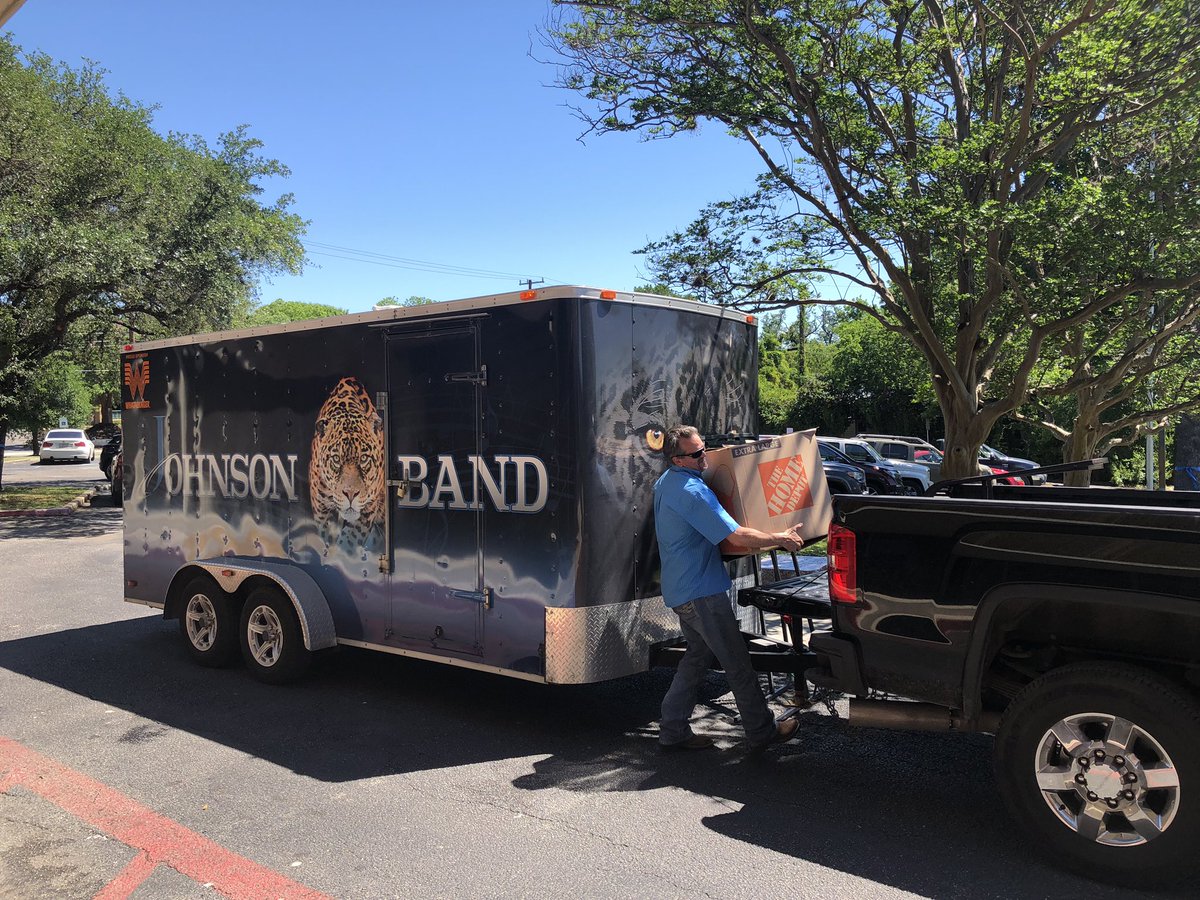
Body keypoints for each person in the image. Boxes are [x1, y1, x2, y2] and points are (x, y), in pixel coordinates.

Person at [653, 425, 805, 752]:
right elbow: (734, 536)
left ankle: (672, 729)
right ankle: (762, 730)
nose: (703, 456)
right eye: (696, 454)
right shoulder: (692, 492)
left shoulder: (667, 483)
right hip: (701, 592)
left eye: (703, 448)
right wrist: (780, 538)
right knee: (736, 662)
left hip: (683, 590)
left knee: (697, 657)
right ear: (678, 459)